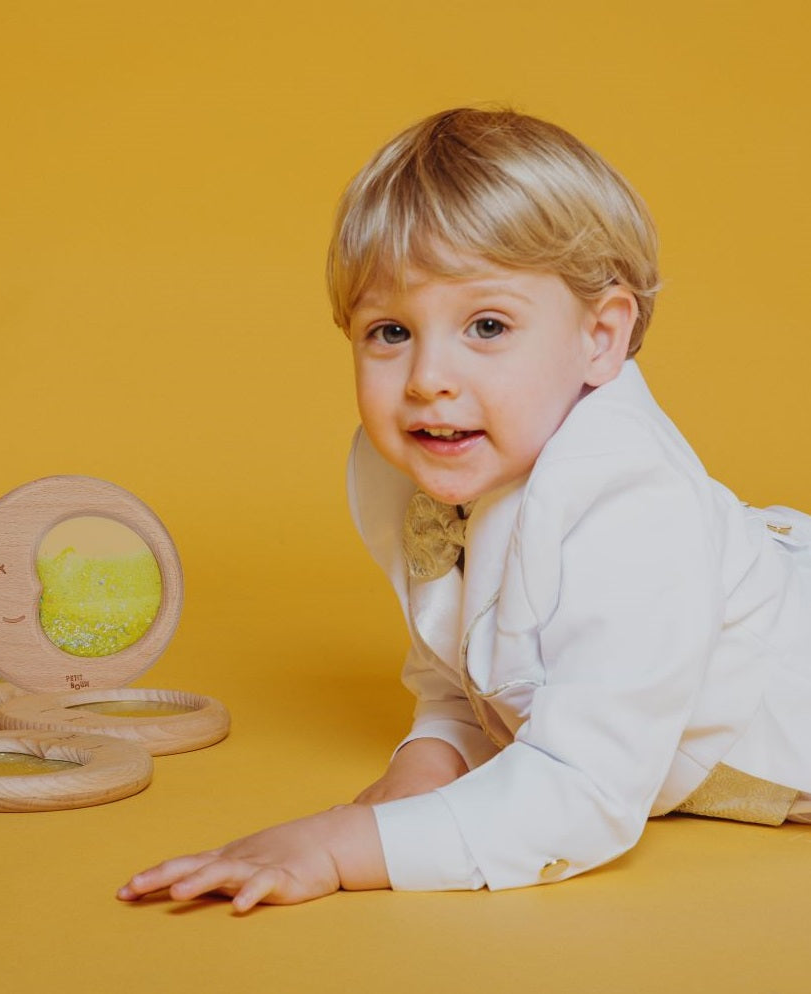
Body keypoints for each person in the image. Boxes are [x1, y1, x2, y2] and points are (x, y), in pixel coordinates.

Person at [117, 108, 811, 911]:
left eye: (487, 325)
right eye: (389, 331)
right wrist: (426, 765)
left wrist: (344, 848)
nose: (426, 378)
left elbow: (585, 791)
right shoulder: (423, 464)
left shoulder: (631, 508)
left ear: (601, 337)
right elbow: (472, 673)